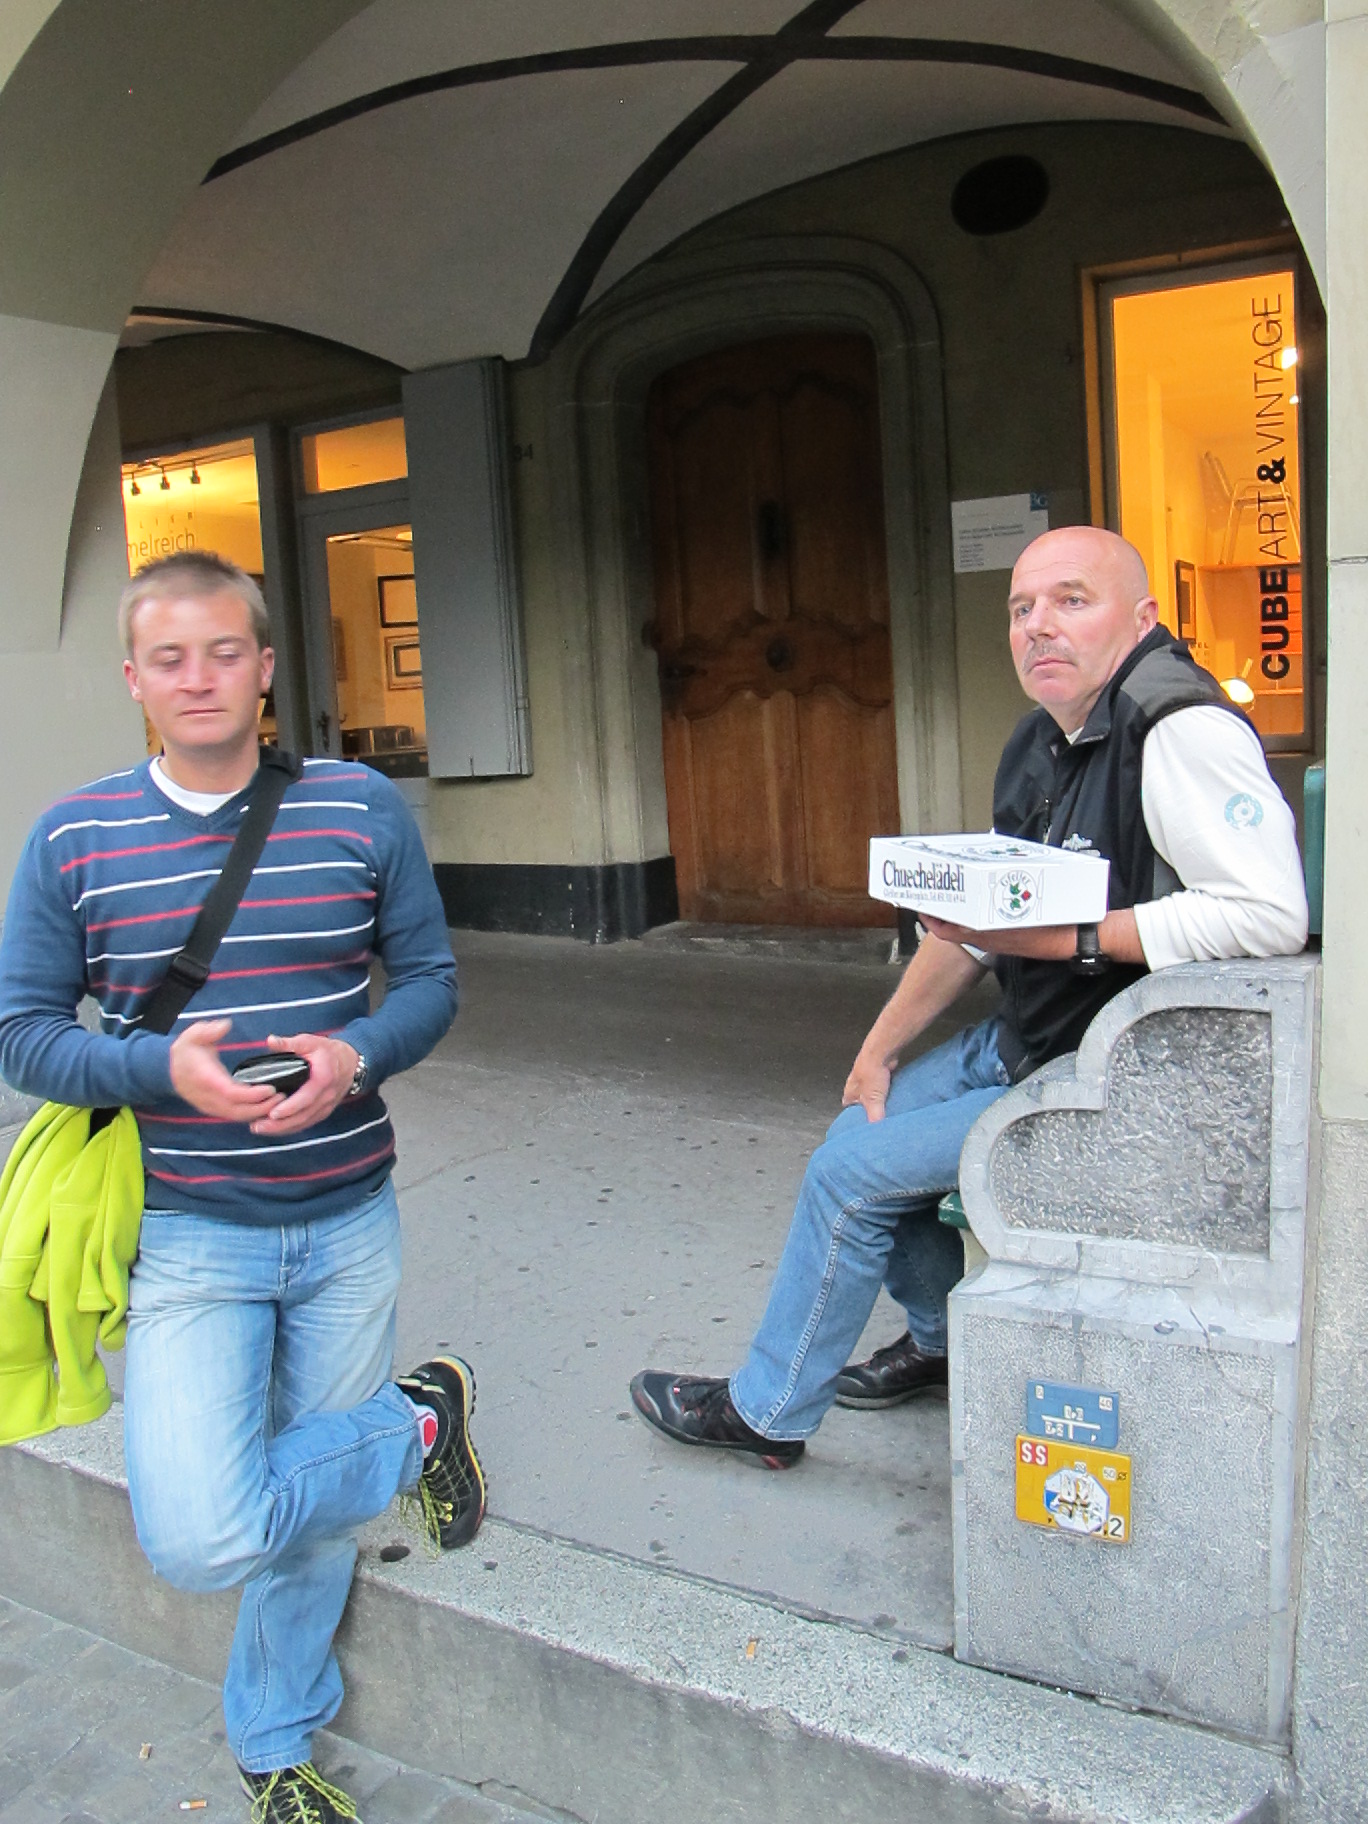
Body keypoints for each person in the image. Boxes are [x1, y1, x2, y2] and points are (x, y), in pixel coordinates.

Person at [630, 526, 1309, 1468]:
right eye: (1022, 608)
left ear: (1144, 617)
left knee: (847, 1177)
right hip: (1024, 1038)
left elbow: (1270, 913)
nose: (1039, 626)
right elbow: (980, 932)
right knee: (860, 1125)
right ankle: (944, 1343)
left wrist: (1072, 939)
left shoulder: (1179, 730)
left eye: (1072, 600)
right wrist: (878, 1050)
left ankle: (767, 1413)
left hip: (1111, 1074)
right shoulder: (1039, 739)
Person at [0, 552, 482, 1824]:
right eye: (171, 658)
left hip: (348, 1213)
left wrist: (355, 1057)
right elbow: (22, 1034)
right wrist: (158, 1070)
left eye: (226, 652)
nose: (200, 678)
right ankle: (418, 1422)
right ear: (134, 679)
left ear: (267, 668)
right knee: (203, 1532)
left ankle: (274, 1740)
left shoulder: (358, 807)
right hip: (187, 1232)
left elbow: (431, 983)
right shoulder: (76, 836)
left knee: (300, 1516)